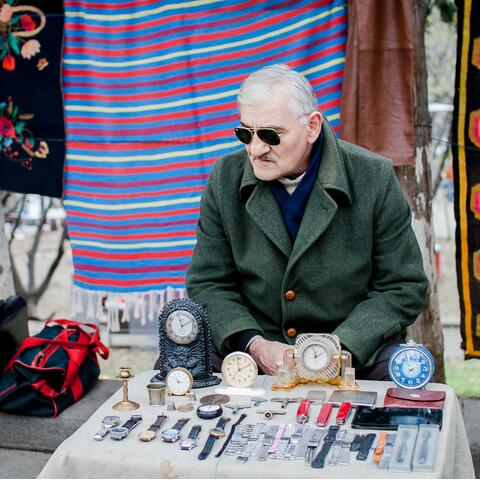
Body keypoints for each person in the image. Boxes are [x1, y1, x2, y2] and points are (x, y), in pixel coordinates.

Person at [186, 64, 428, 380]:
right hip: (255, 347)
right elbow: (208, 282)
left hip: (353, 352)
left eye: (270, 135)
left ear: (312, 126)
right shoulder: (225, 178)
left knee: (404, 384)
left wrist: (338, 349)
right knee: (179, 366)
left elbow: (402, 286)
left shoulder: (374, 177)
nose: (255, 149)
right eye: (245, 133)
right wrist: (255, 345)